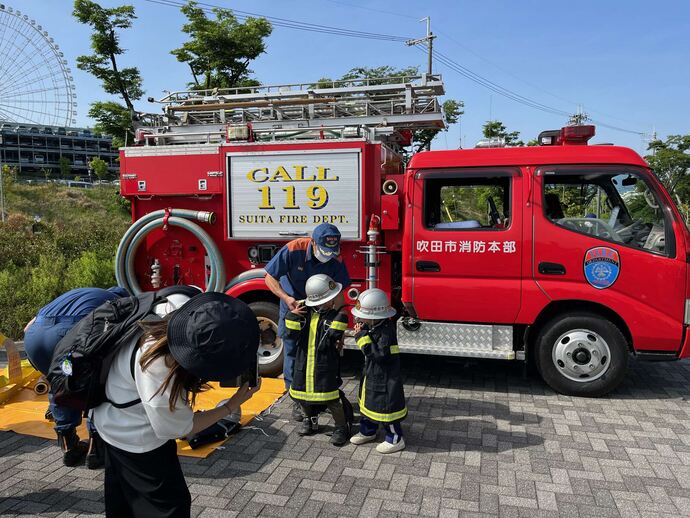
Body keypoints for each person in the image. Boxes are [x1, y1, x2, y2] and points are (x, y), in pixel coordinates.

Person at [92, 292, 260, 518]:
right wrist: (230, 406)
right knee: (171, 509)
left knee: (123, 505)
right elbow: (176, 429)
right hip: (135, 442)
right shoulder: (158, 365)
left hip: (109, 423)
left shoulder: (173, 307)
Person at [23, 286, 130, 467]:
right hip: (70, 330)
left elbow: (27, 328)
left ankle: (69, 447)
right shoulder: (116, 302)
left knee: (59, 385)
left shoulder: (79, 295)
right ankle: (96, 451)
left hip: (34, 338)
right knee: (95, 384)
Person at [264, 223, 350, 421]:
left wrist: (340, 331)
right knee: (294, 351)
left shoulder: (336, 258)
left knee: (322, 351)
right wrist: (286, 298)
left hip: (320, 308)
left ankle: (321, 397)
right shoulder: (294, 249)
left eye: (332, 251)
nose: (328, 255)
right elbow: (269, 277)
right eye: (324, 250)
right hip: (296, 306)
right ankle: (296, 399)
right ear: (313, 243)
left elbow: (339, 294)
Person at [285, 274, 350, 446]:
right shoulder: (304, 313)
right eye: (330, 298)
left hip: (324, 364)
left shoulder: (336, 315)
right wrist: (292, 316)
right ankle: (310, 420)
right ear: (320, 301)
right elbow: (291, 335)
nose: (333, 301)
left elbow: (334, 335)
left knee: (331, 398)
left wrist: (340, 317)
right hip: (304, 362)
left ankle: (341, 427)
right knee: (302, 395)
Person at [350, 288, 407, 454]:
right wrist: (365, 332)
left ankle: (395, 439)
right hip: (373, 375)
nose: (360, 318)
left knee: (387, 410)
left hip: (386, 380)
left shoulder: (386, 332)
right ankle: (368, 431)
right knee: (369, 403)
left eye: (364, 316)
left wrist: (361, 337)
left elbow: (379, 355)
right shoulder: (376, 327)